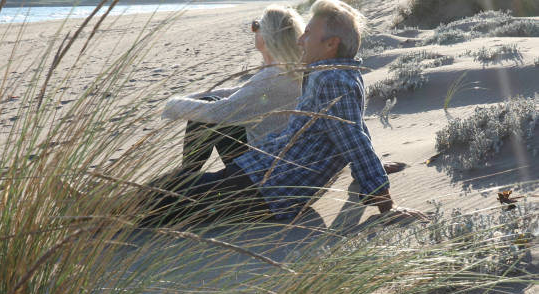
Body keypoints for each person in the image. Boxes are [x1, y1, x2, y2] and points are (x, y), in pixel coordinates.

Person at [140, 0, 425, 226]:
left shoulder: (332, 80)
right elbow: (354, 129)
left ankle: (99, 223)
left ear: (331, 44)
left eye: (309, 33)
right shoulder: (337, 73)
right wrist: (372, 169)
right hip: (260, 173)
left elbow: (353, 139)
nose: (301, 40)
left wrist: (387, 204)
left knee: (163, 198)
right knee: (171, 189)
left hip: (267, 191)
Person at [161, 5, 305, 174]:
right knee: (210, 101)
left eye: (256, 25)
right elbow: (240, 92)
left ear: (267, 36)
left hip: (262, 167)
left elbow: (218, 111)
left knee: (207, 111)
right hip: (276, 158)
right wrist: (191, 97)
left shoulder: (271, 78)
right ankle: (186, 174)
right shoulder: (287, 71)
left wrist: (172, 105)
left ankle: (185, 176)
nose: (254, 30)